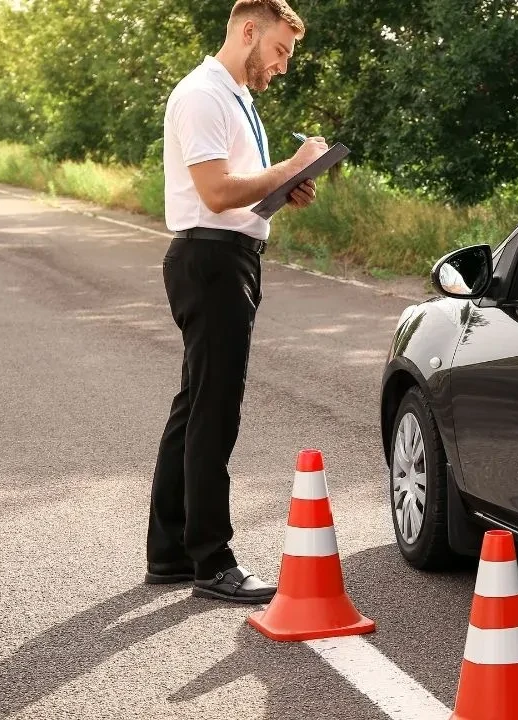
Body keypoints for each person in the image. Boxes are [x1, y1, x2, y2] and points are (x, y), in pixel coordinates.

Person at [145, 0, 328, 604]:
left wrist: (285, 186)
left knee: (195, 403)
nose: (281, 66)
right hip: (212, 261)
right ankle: (212, 560)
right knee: (214, 410)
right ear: (249, 31)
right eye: (279, 51)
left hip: (228, 258)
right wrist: (290, 167)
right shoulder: (203, 94)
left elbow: (243, 190)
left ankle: (170, 553)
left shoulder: (237, 98)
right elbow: (216, 191)